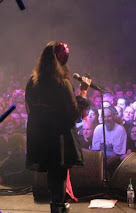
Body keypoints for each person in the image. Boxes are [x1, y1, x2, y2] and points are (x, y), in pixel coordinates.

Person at [25, 41, 91, 213]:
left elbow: (30, 108)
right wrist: (83, 92)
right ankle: (59, 206)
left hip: (40, 135)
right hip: (59, 136)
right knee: (59, 173)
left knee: (51, 173)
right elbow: (74, 113)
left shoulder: (33, 82)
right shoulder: (62, 83)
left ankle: (56, 205)